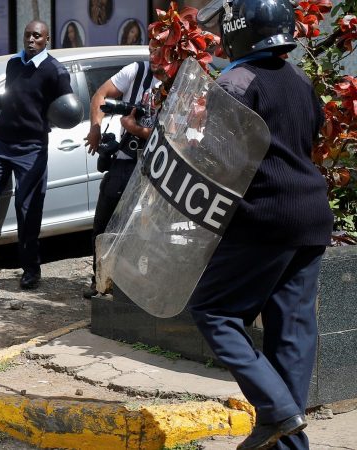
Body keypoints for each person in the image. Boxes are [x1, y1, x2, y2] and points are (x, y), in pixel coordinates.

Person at [190, 1, 333, 449]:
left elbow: (214, 156)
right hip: (310, 218)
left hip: (263, 218)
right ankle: (289, 441)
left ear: (237, 31)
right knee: (291, 335)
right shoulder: (300, 81)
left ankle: (276, 410)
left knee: (213, 310)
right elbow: (310, 138)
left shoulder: (235, 82)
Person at [0, 20, 73, 290]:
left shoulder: (55, 71)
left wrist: (54, 121)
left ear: (47, 39)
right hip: (1, 145)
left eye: (37, 36)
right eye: (27, 35)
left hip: (31, 149)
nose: (31, 40)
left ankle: (31, 270)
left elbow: (68, 108)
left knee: (28, 209)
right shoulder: (14, 64)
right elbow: (11, 98)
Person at [83, 59, 159, 298]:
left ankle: (136, 288)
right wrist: (96, 127)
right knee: (104, 225)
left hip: (159, 168)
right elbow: (101, 96)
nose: (156, 53)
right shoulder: (138, 70)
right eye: (152, 47)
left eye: (162, 47)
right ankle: (101, 282)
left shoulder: (180, 78)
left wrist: (136, 129)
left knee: (145, 233)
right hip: (126, 160)